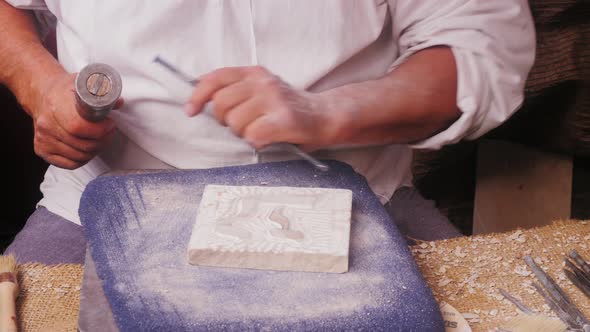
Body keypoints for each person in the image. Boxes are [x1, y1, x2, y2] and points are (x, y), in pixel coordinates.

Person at [0, 1, 535, 264]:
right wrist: (40, 84)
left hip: (355, 201)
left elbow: (480, 48)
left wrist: (327, 114)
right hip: (100, 201)